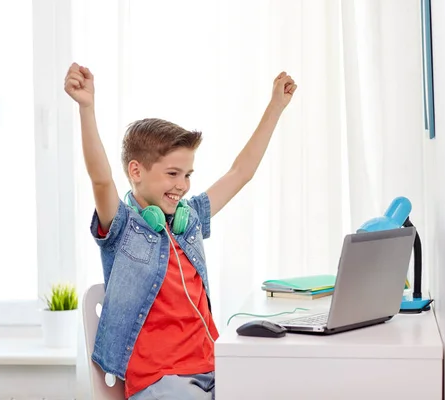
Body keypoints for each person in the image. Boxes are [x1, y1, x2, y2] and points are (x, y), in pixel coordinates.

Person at [64, 62, 297, 399]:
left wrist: (276, 107)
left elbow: (240, 173)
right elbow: (101, 178)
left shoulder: (189, 220)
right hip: (162, 381)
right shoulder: (123, 227)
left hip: (215, 368)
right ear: (136, 171)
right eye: (173, 174)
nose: (183, 185)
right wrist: (87, 108)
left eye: (188, 174)